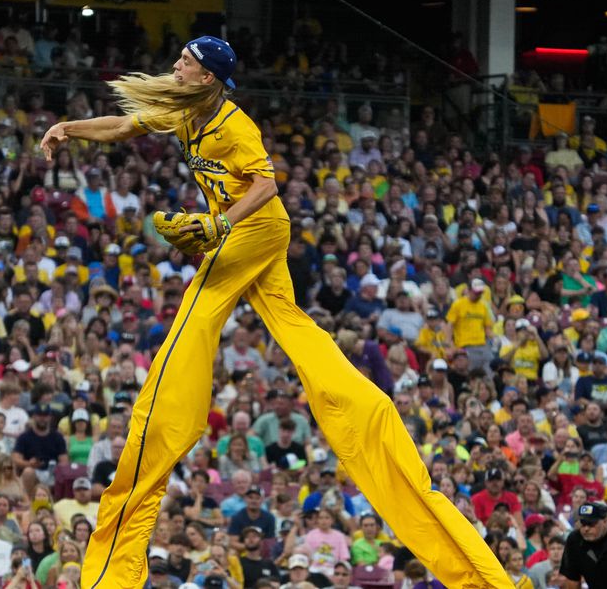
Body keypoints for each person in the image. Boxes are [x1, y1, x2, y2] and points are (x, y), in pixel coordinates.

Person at [40, 35, 511, 589]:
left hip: (255, 229)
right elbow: (123, 126)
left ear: (208, 77)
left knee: (197, 311)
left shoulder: (235, 126)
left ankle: (167, 417)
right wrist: (69, 128)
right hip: (255, 232)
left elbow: (266, 185)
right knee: (293, 327)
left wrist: (218, 223)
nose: (176, 65)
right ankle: (360, 400)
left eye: (186, 62)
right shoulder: (184, 109)